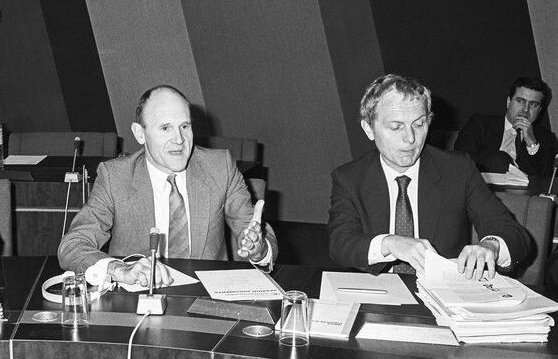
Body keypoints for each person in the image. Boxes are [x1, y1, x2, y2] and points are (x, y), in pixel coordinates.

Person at [58, 85, 277, 287]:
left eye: (184, 126)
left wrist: (259, 250)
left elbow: (259, 236)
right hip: (137, 302)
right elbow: (72, 246)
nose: (179, 139)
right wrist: (120, 269)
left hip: (204, 298)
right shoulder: (116, 177)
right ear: (140, 133)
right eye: (165, 128)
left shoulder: (220, 167)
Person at [328, 74, 530, 280]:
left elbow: (514, 234)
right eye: (396, 127)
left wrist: (491, 245)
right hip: (377, 293)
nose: (410, 139)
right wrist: (389, 243)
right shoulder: (349, 178)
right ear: (369, 129)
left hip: (444, 291)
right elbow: (340, 244)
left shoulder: (458, 169)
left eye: (419, 124)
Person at [454, 77, 556, 177]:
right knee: (499, 158)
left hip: (524, 192)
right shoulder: (480, 124)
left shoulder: (546, 137)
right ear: (508, 102)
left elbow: (547, 178)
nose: (525, 109)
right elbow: (462, 160)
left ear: (539, 110)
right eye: (520, 101)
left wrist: (531, 144)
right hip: (483, 186)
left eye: (533, 104)